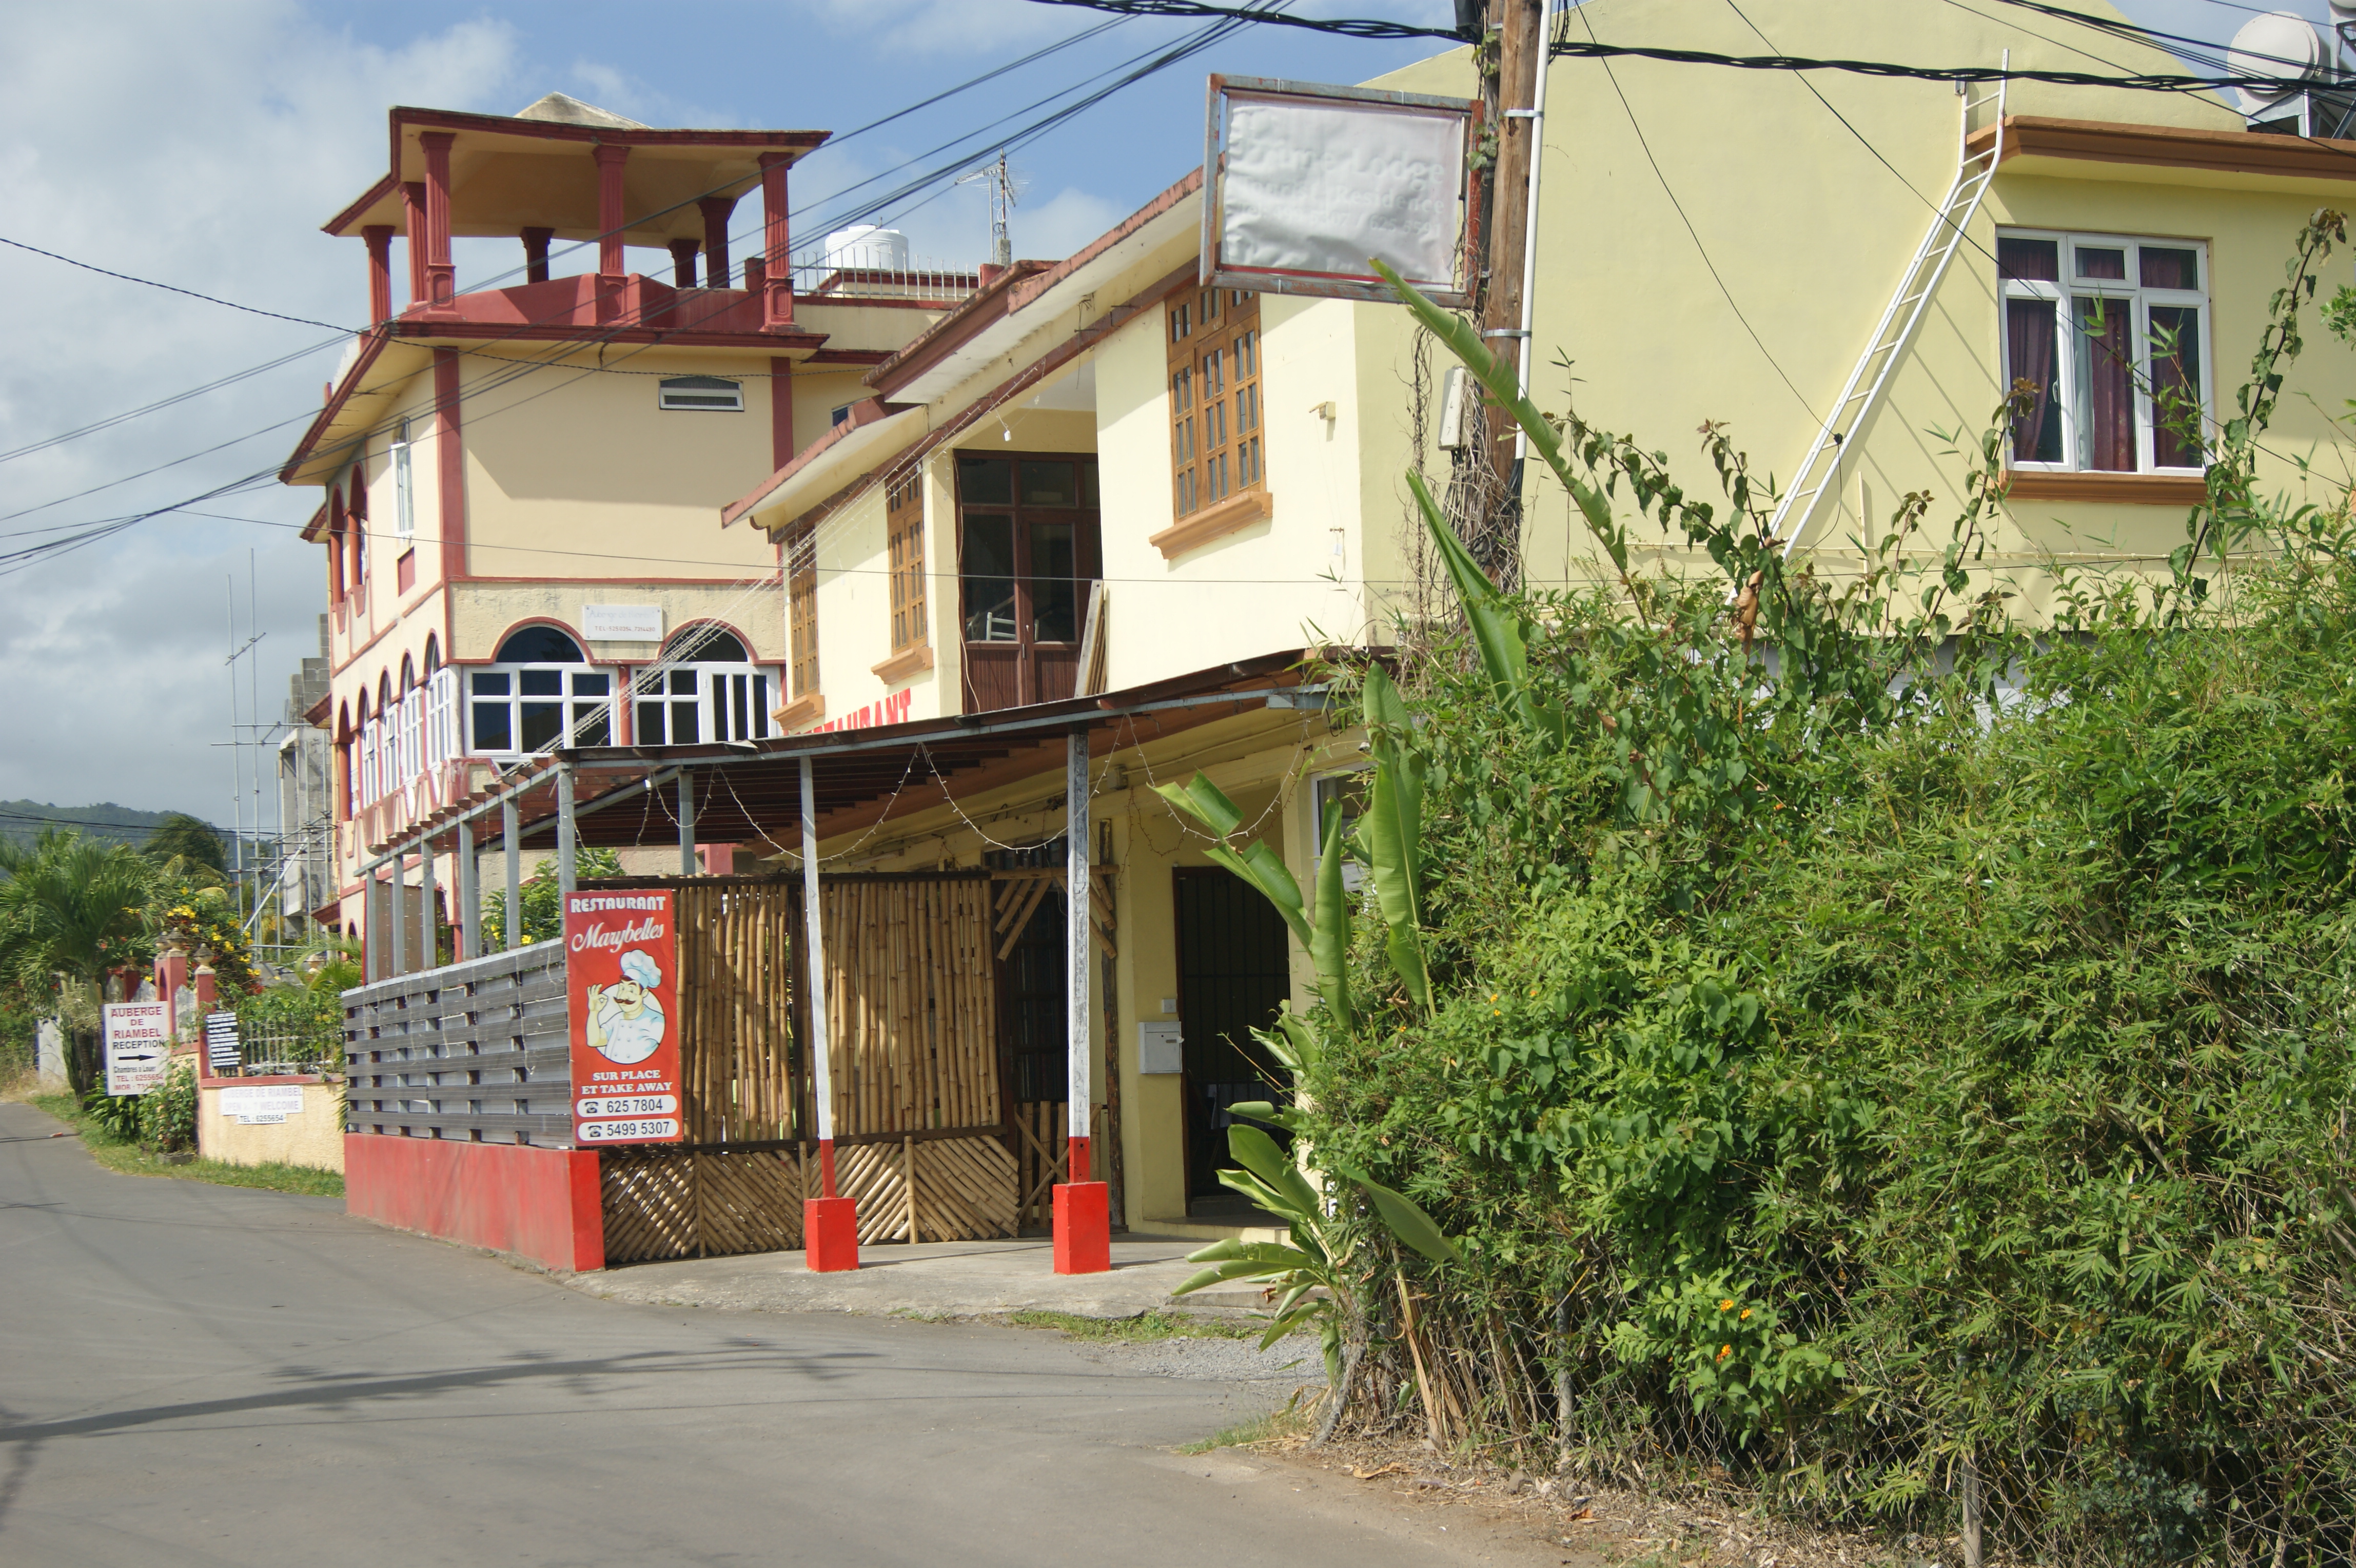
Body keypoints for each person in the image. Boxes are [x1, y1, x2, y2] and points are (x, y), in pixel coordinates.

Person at [584, 948, 666, 1064]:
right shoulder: (617, 1019)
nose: (624, 996)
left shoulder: (657, 1020)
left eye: (631, 990)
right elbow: (594, 1041)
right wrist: (594, 1012)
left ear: (644, 994)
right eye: (622, 988)